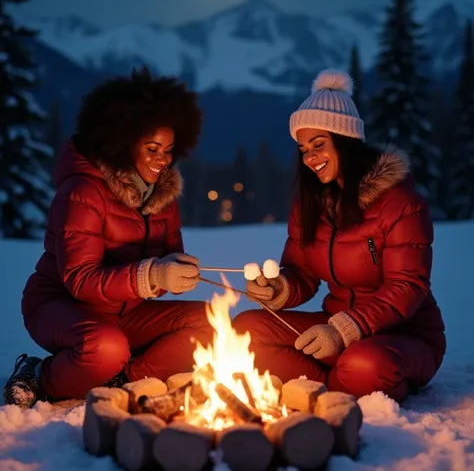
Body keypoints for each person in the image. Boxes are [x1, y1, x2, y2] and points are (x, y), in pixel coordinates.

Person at [4, 68, 214, 408]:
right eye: (152, 148)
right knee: (106, 347)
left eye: (169, 149)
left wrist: (174, 272)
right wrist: (152, 275)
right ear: (123, 143)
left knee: (209, 323)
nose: (164, 160)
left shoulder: (162, 197)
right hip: (60, 306)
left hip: (123, 313)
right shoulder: (82, 193)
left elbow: (163, 268)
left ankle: (123, 377)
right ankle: (39, 375)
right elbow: (80, 280)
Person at [233, 69, 446, 403]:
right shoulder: (311, 203)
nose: (311, 158)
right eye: (304, 149)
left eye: (319, 144)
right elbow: (302, 272)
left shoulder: (400, 202)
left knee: (361, 364)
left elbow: (408, 287)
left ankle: (341, 382)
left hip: (402, 336)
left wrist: (344, 329)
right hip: (332, 329)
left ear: (346, 141)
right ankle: (334, 386)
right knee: (245, 330)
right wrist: (279, 288)